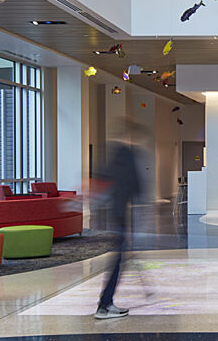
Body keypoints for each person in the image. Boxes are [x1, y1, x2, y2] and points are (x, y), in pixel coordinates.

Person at [93, 118, 145, 320]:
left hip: (116, 214)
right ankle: (104, 304)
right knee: (117, 260)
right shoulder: (126, 154)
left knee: (118, 259)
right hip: (119, 215)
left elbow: (106, 181)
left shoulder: (115, 154)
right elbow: (134, 185)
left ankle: (106, 302)